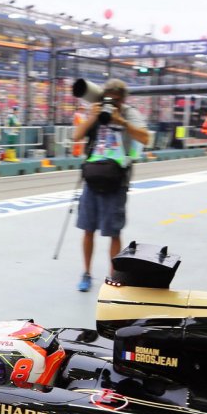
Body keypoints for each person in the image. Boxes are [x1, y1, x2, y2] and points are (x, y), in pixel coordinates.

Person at [71, 78, 149, 292]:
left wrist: (121, 121)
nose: (111, 104)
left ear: (123, 100)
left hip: (117, 180)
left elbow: (145, 138)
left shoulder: (129, 113)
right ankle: (86, 273)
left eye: (116, 100)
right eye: (109, 99)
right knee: (88, 229)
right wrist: (93, 117)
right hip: (92, 178)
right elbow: (76, 136)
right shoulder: (97, 111)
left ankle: (114, 276)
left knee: (113, 232)